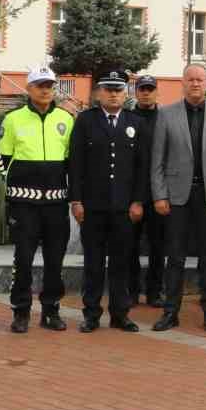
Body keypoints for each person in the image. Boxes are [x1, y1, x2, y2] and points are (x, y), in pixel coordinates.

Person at [151, 62, 206, 332]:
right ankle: (170, 312)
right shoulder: (166, 114)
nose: (195, 83)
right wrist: (159, 195)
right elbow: (157, 160)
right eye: (191, 79)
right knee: (175, 258)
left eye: (200, 79)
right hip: (176, 198)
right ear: (183, 83)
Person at [0, 65, 76, 334]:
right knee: (23, 259)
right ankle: (21, 312)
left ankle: (51, 310)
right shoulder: (13, 119)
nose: (45, 90)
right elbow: (1, 157)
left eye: (49, 85)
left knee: (55, 260)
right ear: (29, 89)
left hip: (56, 203)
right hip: (24, 204)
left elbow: (72, 160)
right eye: (40, 85)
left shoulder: (66, 119)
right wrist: (14, 182)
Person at [69, 68, 148, 333]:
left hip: (124, 208)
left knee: (120, 263)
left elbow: (142, 167)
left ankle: (120, 314)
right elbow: (76, 163)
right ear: (99, 93)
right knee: (93, 263)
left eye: (118, 90)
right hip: (93, 207)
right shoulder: (86, 121)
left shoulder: (136, 122)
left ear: (125, 94)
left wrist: (138, 201)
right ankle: (91, 314)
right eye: (109, 90)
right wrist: (76, 200)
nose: (114, 95)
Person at [129, 73, 165, 307]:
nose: (145, 93)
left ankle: (154, 291)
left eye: (150, 89)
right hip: (131, 192)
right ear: (136, 92)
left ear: (156, 92)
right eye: (142, 89)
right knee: (129, 244)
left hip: (158, 192)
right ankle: (131, 290)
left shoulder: (165, 118)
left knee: (158, 245)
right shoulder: (127, 118)